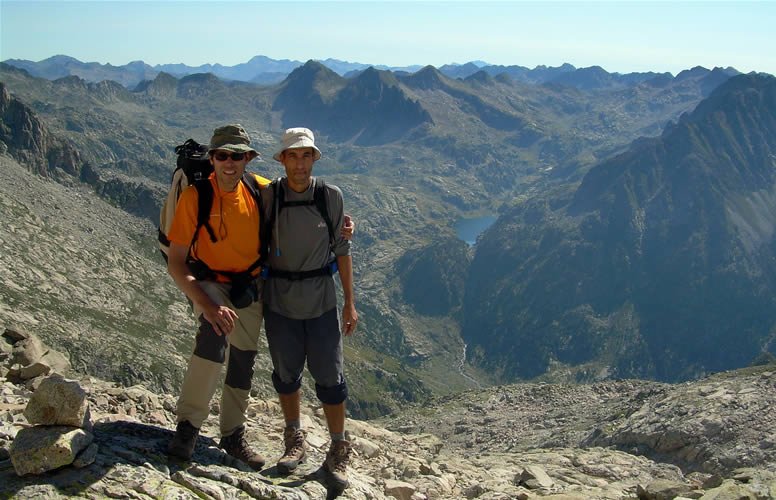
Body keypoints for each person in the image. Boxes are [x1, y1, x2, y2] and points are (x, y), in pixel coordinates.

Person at [165, 124, 270, 468]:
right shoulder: (197, 196)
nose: (229, 163)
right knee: (214, 335)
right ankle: (188, 427)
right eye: (222, 155)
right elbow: (177, 263)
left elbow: (303, 201)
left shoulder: (261, 190)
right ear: (212, 158)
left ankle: (232, 434)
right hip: (209, 280)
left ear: (248, 159)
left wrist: (341, 224)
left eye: (237, 156)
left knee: (243, 358)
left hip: (248, 284)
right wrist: (208, 306)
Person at [262, 127, 358, 490]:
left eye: (306, 156)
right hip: (280, 302)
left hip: (321, 302)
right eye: (293, 156)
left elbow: (342, 250)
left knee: (331, 381)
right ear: (283, 160)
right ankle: (294, 439)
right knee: (286, 376)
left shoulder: (330, 196)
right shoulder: (269, 196)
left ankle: (337, 449)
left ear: (314, 159)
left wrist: (350, 302)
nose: (300, 163)